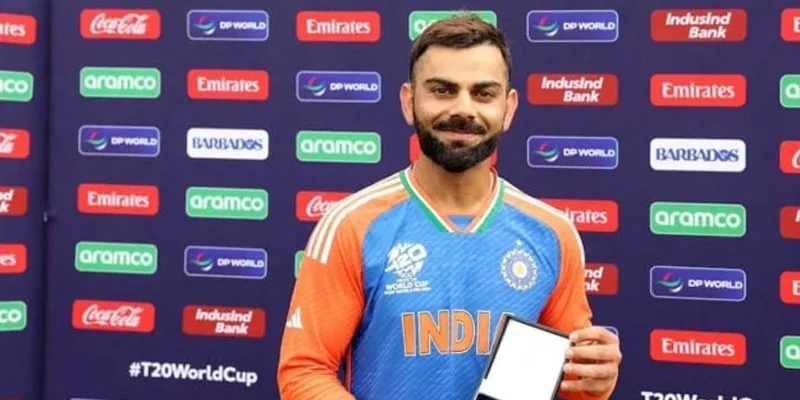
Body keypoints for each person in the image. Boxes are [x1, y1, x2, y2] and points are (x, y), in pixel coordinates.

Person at [277, 13, 621, 400]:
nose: (463, 109)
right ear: (409, 101)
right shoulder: (352, 225)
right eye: (442, 90)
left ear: (508, 108)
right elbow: (304, 372)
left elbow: (575, 383)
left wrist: (595, 381)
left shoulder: (552, 234)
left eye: (483, 93)